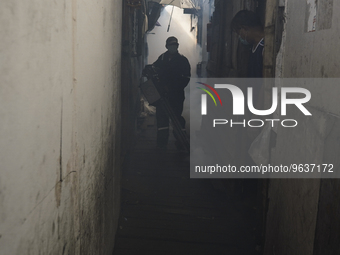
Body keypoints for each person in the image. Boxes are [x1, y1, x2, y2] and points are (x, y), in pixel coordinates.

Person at [151, 36, 191, 149]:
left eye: (174, 45)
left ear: (177, 46)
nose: (172, 47)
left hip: (176, 95)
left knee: (177, 117)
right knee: (162, 118)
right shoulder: (162, 58)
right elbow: (154, 68)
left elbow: (186, 77)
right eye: (170, 45)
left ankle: (181, 142)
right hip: (163, 96)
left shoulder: (183, 60)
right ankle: (161, 143)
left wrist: (174, 88)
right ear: (166, 46)